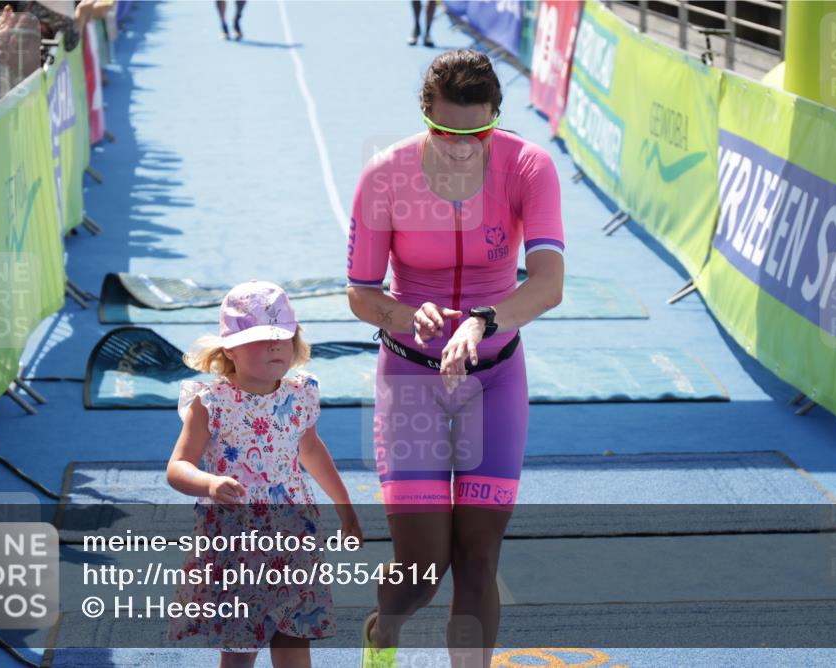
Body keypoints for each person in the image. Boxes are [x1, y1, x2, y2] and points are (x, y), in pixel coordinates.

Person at [347, 49, 565, 668]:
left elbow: (548, 284)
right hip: (411, 378)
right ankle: (381, 632)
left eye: (477, 132)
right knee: (421, 573)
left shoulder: (529, 167)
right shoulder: (385, 176)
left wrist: (483, 320)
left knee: (477, 558)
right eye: (446, 132)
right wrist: (398, 313)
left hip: (495, 377)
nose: (462, 147)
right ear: (425, 114)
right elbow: (361, 293)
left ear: (498, 115)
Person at [166, 279, 363, 667]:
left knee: (293, 641)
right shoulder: (210, 403)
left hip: (294, 535)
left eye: (282, 336)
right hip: (235, 545)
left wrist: (346, 509)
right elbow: (177, 467)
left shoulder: (301, 392)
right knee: (239, 652)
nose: (274, 345)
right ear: (231, 351)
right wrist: (209, 482)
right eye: (259, 338)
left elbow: (310, 450)